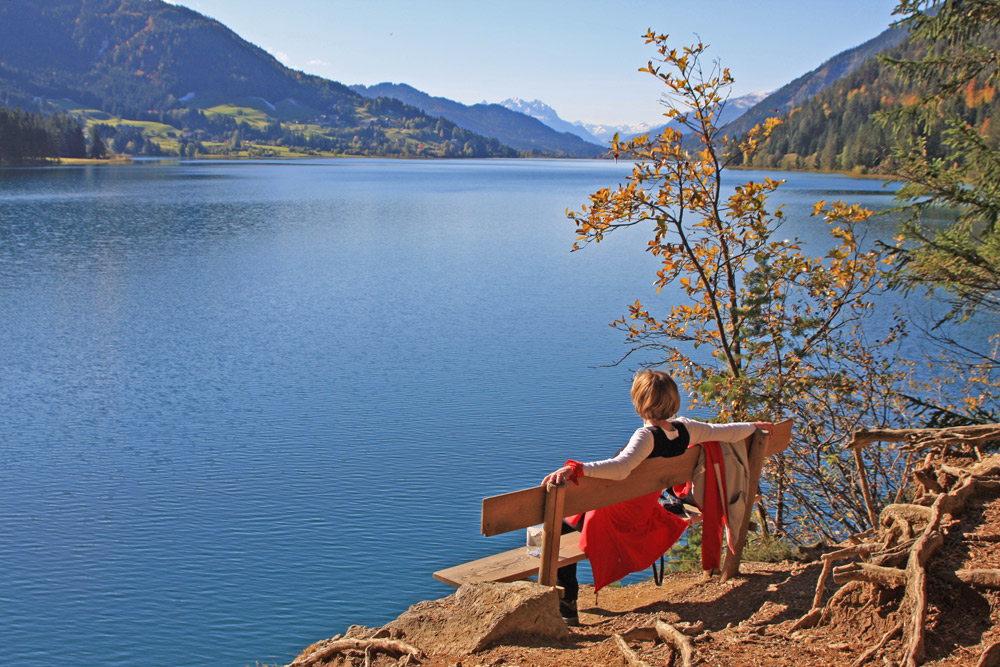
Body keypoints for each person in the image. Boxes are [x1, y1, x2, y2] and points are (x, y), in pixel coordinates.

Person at [541, 369, 773, 625]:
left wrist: (576, 468)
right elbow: (725, 431)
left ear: (639, 401)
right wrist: (753, 427)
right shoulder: (687, 429)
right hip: (643, 511)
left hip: (617, 519)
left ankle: (568, 602)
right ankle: (567, 601)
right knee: (573, 514)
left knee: (557, 525)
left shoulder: (646, 436)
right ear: (673, 399)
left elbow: (621, 468)